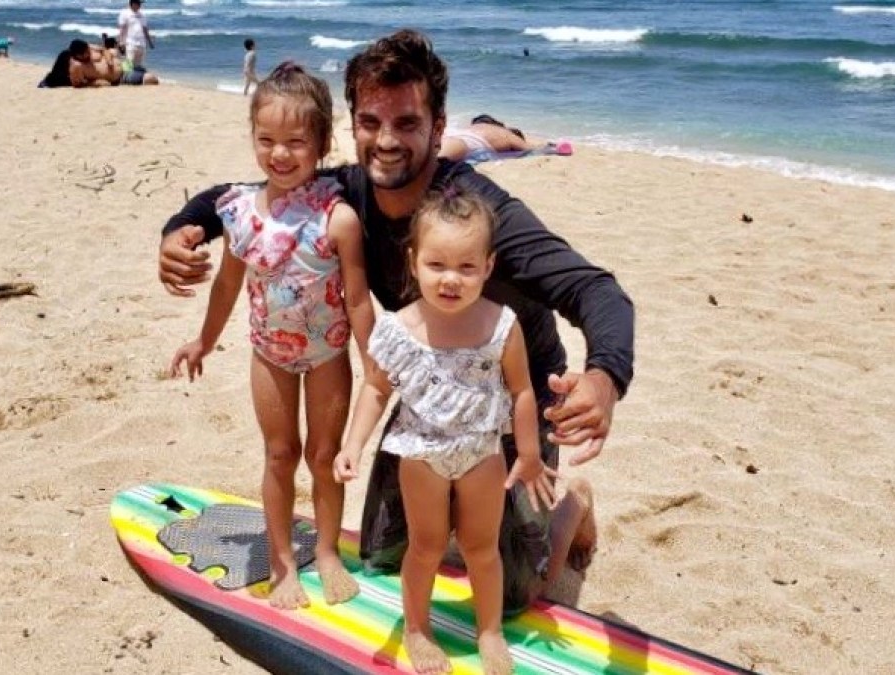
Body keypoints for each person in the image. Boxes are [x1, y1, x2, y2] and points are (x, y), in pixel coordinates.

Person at [158, 29, 628, 616]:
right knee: (381, 558)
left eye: (407, 123)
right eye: (371, 122)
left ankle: (572, 506)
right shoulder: (342, 193)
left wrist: (604, 376)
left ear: (437, 125)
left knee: (514, 596)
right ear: (351, 126)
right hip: (428, 406)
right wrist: (182, 226)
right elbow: (241, 195)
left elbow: (596, 289)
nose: (385, 141)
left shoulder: (483, 218)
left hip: (512, 410)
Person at [168, 62, 374, 611]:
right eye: (267, 141)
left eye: (295, 142)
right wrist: (203, 342)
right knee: (280, 454)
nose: (280, 154)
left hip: (329, 353)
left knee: (325, 454)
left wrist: (374, 360)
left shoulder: (339, 218)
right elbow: (228, 286)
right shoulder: (238, 214)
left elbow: (357, 299)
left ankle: (327, 552)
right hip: (270, 355)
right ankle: (284, 563)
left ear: (323, 142)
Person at [334, 188, 556, 674]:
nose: (451, 279)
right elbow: (375, 389)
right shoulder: (396, 329)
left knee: (482, 547)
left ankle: (489, 631)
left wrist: (530, 454)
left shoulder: (501, 325)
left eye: (466, 267)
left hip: (482, 452)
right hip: (421, 454)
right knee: (426, 546)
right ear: (413, 262)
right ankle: (416, 628)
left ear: (488, 266)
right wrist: (352, 445)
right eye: (437, 265)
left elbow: (521, 391)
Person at [439, 114, 572, 164]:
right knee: (448, 153)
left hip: (452, 133)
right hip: (470, 141)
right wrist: (553, 147)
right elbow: (530, 149)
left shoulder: (475, 127)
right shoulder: (505, 133)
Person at [117, 0, 153, 70]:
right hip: (130, 43)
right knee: (129, 62)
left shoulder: (142, 15)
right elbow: (122, 29)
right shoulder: (125, 13)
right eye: (138, 3)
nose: (140, 5)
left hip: (141, 43)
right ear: (133, 4)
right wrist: (120, 41)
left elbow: (145, 29)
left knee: (138, 65)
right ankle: (126, 77)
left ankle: (134, 78)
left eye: (140, 4)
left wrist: (149, 41)